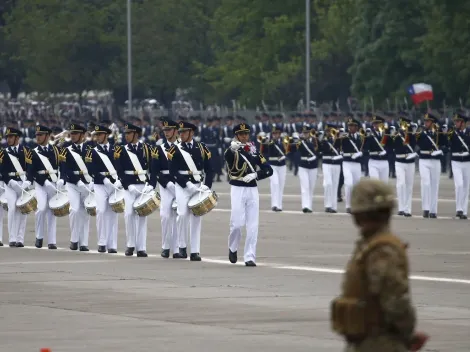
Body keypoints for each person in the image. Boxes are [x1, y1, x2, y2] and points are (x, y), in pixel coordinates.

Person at [331, 178, 429, 352]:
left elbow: (395, 302)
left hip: (381, 343)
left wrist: (406, 335)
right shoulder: (370, 245)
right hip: (364, 341)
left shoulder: (383, 250)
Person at [224, 123, 273, 266]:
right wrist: (232, 150)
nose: (245, 136)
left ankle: (249, 256)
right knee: (237, 223)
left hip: (252, 188)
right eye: (241, 134)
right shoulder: (232, 150)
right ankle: (233, 247)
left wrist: (255, 175)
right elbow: (227, 158)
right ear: (236, 135)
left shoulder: (254, 151)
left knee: (253, 225)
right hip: (238, 187)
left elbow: (268, 170)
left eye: (246, 134)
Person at [167, 121, 213, 261]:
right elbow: (172, 170)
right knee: (182, 215)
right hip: (182, 186)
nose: (181, 134)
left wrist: (207, 186)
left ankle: (195, 251)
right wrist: (186, 183)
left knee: (196, 218)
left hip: (198, 185)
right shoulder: (174, 149)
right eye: (180, 132)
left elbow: (209, 169)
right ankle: (182, 247)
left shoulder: (202, 147)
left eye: (184, 132)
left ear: (191, 133)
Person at [114, 122, 154, 257]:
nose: (126, 136)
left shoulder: (147, 148)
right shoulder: (121, 150)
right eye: (125, 133)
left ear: (136, 134)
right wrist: (127, 185)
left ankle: (141, 247)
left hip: (143, 185)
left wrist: (151, 185)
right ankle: (130, 244)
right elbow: (119, 170)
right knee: (129, 214)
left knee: (142, 216)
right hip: (129, 186)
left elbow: (153, 169)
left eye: (129, 133)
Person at [87, 124, 122, 253]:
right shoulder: (92, 151)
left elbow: (120, 166)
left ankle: (112, 244)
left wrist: (119, 180)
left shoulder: (116, 149)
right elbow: (91, 168)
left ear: (106, 135)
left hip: (114, 183)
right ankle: (102, 242)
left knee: (113, 214)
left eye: (100, 135)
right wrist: (103, 179)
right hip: (100, 183)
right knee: (101, 211)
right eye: (96, 135)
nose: (97, 137)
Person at [27, 125, 63, 249]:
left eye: (40, 135)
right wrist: (42, 181)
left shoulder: (56, 150)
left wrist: (61, 179)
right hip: (41, 184)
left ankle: (52, 241)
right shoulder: (33, 152)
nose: (38, 137)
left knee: (52, 211)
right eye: (37, 135)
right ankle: (39, 237)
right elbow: (31, 171)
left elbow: (60, 167)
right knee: (41, 209)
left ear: (47, 136)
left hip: (53, 182)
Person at [60, 123, 94, 251]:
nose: (72, 136)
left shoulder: (90, 149)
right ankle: (74, 240)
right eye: (72, 133)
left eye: (75, 133)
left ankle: (84, 242)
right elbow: (65, 169)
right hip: (72, 184)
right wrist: (76, 180)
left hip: (87, 183)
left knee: (85, 213)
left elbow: (93, 167)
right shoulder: (65, 149)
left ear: (83, 135)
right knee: (74, 210)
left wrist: (92, 181)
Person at [150, 119, 179, 258]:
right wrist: (166, 184)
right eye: (165, 131)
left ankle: (178, 248)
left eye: (169, 130)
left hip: (181, 183)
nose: (166, 133)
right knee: (165, 216)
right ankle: (165, 247)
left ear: (175, 131)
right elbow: (155, 170)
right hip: (165, 184)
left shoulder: (181, 147)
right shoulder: (159, 148)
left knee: (179, 216)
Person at [0, 127, 31, 247]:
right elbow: (2, 170)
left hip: (23, 182)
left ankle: (20, 239)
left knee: (23, 211)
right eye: (7, 137)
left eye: (11, 137)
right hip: (10, 184)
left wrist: (28, 181)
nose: (8, 139)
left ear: (17, 138)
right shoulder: (3, 152)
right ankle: (12, 238)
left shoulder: (26, 151)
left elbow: (30, 168)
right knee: (12, 209)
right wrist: (9, 181)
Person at [416, 112, 447, 218]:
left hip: (435, 160)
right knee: (426, 183)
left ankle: (433, 210)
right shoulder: (421, 132)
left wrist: (441, 151)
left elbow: (446, 145)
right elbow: (414, 143)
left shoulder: (439, 132)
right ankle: (426, 208)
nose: (426, 123)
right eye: (425, 121)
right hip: (424, 159)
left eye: (428, 121)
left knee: (434, 185)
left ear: (433, 122)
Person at [392, 116, 417, 217]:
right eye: (402, 124)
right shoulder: (396, 134)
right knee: (401, 184)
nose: (403, 126)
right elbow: (392, 145)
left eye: (405, 124)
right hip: (399, 161)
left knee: (409, 186)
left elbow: (416, 145)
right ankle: (401, 208)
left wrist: (413, 134)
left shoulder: (412, 134)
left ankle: (408, 209)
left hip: (410, 162)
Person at [448, 112, 470, 219]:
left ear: (463, 123)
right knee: (459, 185)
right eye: (455, 121)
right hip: (456, 160)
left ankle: (464, 211)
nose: (456, 123)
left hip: (467, 161)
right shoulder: (452, 132)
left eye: (458, 121)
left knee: (466, 187)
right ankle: (459, 209)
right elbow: (446, 142)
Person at [339, 118, 364, 213]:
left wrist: (361, 153)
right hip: (347, 162)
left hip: (357, 163)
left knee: (356, 185)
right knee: (348, 183)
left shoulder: (361, 137)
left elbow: (365, 148)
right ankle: (348, 205)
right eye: (349, 126)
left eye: (353, 126)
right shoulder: (344, 137)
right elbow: (339, 146)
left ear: (357, 127)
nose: (351, 128)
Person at [296, 124, 319, 213]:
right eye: (304, 133)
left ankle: (309, 206)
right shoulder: (300, 141)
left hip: (313, 166)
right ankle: (305, 206)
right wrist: (298, 140)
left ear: (310, 133)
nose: (305, 134)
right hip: (303, 165)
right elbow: (295, 149)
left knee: (311, 187)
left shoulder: (314, 140)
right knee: (305, 186)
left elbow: (318, 150)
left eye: (307, 133)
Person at [320, 124, 343, 213]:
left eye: (331, 130)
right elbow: (321, 150)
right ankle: (328, 205)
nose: (329, 132)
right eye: (328, 131)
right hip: (327, 163)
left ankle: (333, 206)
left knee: (335, 184)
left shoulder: (339, 140)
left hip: (336, 163)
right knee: (328, 183)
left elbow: (343, 150)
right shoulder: (324, 140)